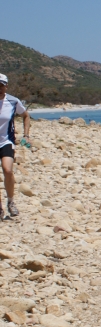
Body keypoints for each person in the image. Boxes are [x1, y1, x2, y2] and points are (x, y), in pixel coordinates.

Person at [0, 73, 31, 219]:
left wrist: (26, 135)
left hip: (6, 141)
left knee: (7, 170)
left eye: (2, 85)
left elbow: (25, 115)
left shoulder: (13, 101)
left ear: (6, 86)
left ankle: (11, 202)